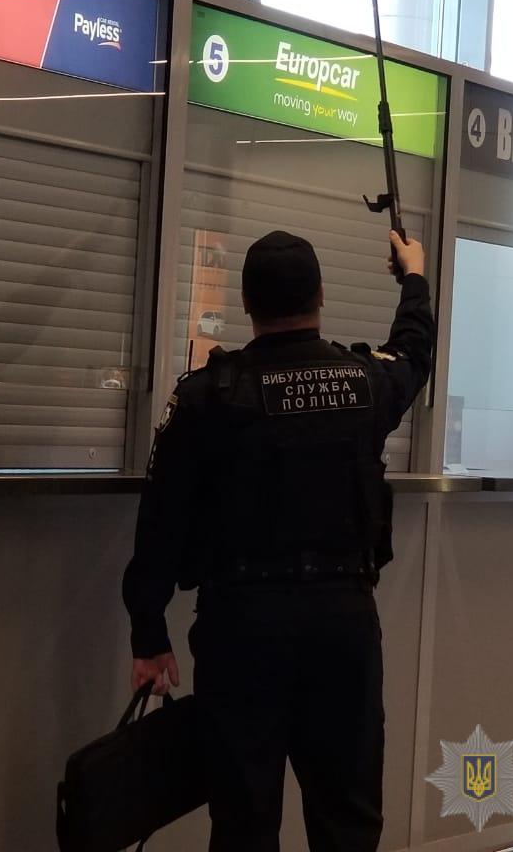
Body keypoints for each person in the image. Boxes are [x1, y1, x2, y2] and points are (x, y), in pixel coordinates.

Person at [122, 228, 434, 852]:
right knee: (347, 819)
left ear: (246, 302)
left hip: (241, 629)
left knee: (243, 821)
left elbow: (160, 521)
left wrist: (149, 634)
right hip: (341, 626)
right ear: (321, 295)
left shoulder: (207, 396)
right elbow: (413, 351)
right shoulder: (364, 383)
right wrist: (413, 278)